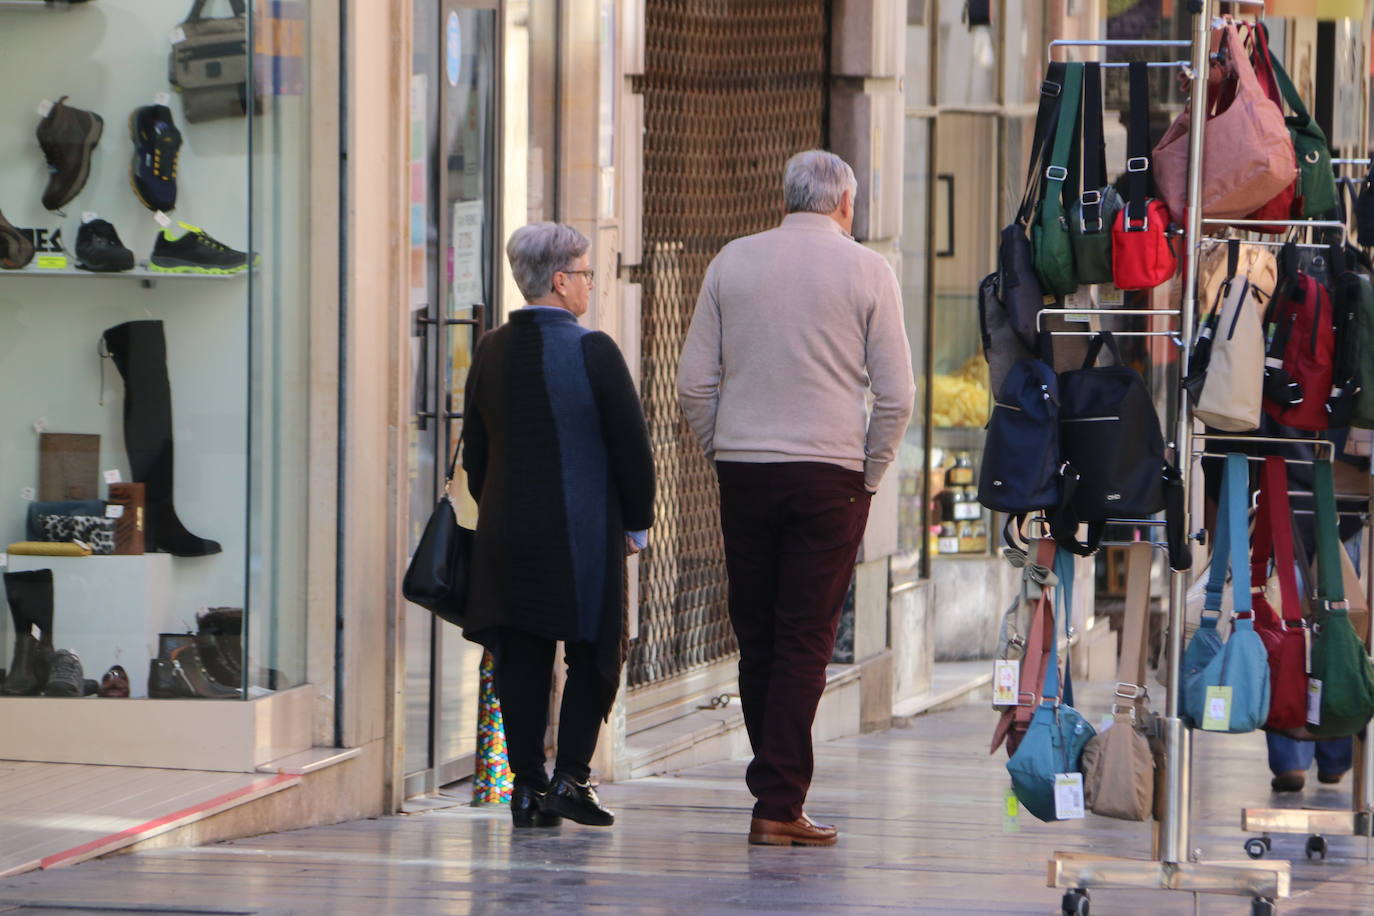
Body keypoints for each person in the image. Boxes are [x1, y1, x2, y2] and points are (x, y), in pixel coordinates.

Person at [676, 150, 915, 847]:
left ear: (787, 199)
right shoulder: (870, 271)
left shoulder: (732, 262)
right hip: (830, 477)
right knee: (805, 637)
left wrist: (725, 447)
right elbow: (896, 397)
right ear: (845, 204)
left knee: (758, 634)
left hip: (745, 469)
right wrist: (868, 475)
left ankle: (776, 791)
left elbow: (694, 384)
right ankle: (778, 802)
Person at [461, 222, 655, 829]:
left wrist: (496, 506)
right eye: (588, 273)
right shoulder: (593, 350)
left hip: (506, 535)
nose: (592, 286)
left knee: (521, 655)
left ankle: (525, 788)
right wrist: (638, 523)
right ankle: (572, 776)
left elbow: (475, 455)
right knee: (595, 648)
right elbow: (633, 448)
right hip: (582, 533)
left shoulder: (489, 350)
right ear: (561, 280)